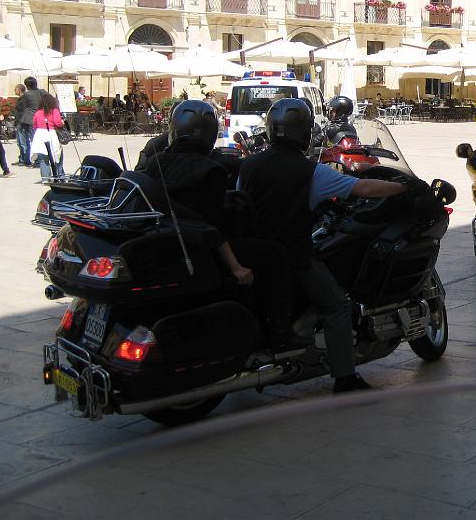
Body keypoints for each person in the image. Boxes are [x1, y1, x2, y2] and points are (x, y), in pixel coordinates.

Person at [238, 98, 407, 393]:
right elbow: (361, 187)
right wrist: (403, 187)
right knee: (338, 305)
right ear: (304, 132)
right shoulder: (310, 171)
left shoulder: (248, 166)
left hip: (254, 252)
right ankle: (345, 377)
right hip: (293, 256)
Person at [144, 100, 309, 351]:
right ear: (211, 132)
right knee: (274, 252)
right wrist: (236, 266)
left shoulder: (157, 162)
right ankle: (279, 329)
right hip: (203, 247)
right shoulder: (211, 171)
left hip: (171, 240)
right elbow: (211, 226)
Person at [31, 93, 65, 179]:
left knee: (43, 159)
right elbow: (58, 123)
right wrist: (62, 122)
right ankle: (59, 176)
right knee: (57, 156)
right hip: (51, 134)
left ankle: (45, 178)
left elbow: (34, 125)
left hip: (39, 135)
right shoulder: (54, 111)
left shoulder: (38, 112)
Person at [14, 78, 44, 167]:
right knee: (36, 140)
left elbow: (21, 107)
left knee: (29, 141)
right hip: (39, 119)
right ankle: (37, 160)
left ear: (27, 86)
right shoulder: (42, 92)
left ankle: (33, 160)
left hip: (29, 120)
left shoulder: (27, 95)